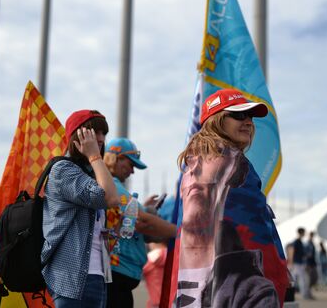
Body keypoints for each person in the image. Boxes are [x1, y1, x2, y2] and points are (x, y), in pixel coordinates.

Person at [174, 88, 288, 307]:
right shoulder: (233, 162)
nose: (248, 122)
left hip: (195, 289)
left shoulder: (192, 166)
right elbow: (259, 233)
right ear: (216, 121)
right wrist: (278, 273)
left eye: (251, 117)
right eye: (238, 115)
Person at [42, 110, 120, 307]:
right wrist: (95, 156)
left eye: (104, 133)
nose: (101, 138)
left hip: (97, 275)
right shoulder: (63, 170)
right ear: (79, 136)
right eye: (95, 132)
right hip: (73, 278)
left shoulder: (92, 174)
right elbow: (111, 198)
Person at [103, 137, 176, 308]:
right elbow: (143, 222)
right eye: (130, 164)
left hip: (117, 277)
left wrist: (143, 208)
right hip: (116, 278)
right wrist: (182, 231)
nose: (132, 171)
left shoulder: (113, 187)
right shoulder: (113, 187)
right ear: (116, 158)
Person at [287, 228, 312, 300]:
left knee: (295, 279)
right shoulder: (297, 242)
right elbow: (292, 250)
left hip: (298, 263)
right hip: (297, 263)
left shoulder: (299, 242)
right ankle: (303, 294)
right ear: (302, 233)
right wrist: (291, 261)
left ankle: (291, 293)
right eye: (304, 232)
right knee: (301, 279)